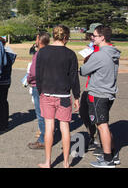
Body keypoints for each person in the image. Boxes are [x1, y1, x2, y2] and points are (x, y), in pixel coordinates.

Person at [36, 25, 80, 168]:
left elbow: (38, 74)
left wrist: (40, 90)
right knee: (65, 128)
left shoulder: (42, 52)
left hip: (47, 93)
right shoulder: (70, 54)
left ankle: (48, 161)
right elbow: (74, 78)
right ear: (66, 37)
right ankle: (66, 163)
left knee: (49, 127)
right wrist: (77, 96)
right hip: (64, 96)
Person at [80, 25, 121, 168]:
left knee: (101, 126)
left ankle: (108, 159)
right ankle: (113, 154)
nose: (92, 38)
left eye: (95, 36)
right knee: (105, 124)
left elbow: (84, 71)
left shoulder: (99, 54)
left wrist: (88, 58)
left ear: (102, 37)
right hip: (109, 92)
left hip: (98, 93)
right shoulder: (113, 52)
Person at [80, 23, 103, 152]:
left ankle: (103, 144)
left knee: (100, 118)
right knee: (85, 112)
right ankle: (92, 136)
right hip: (90, 85)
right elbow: (86, 65)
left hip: (99, 88)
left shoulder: (104, 49)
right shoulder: (92, 47)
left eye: (92, 35)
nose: (90, 37)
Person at [27, 32, 50, 149]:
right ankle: (47, 135)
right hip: (49, 85)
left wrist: (28, 79)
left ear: (39, 40)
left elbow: (33, 72)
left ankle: (43, 139)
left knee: (40, 113)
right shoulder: (50, 52)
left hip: (38, 85)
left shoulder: (39, 53)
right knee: (47, 113)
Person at [0, 36, 17, 135]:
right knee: (4, 102)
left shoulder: (1, 54)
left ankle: (1, 124)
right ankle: (5, 122)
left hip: (0, 81)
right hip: (7, 80)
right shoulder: (10, 54)